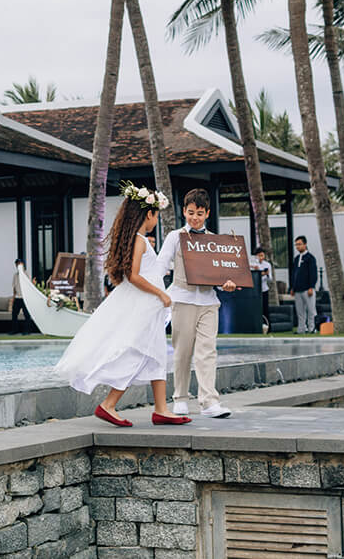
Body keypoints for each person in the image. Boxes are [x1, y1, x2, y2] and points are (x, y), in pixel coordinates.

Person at [54, 182, 191, 428]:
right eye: (156, 216)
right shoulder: (139, 240)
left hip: (150, 306)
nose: (156, 221)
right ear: (149, 214)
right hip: (147, 305)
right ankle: (109, 404)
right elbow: (134, 275)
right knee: (136, 354)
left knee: (157, 355)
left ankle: (161, 409)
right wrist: (161, 294)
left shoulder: (138, 239)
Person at [155, 188, 235, 419]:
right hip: (182, 300)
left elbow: (219, 276)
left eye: (199, 213)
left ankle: (209, 402)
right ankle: (180, 397)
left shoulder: (214, 241)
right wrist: (156, 292)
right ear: (184, 211)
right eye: (191, 213)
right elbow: (161, 266)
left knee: (207, 352)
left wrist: (226, 285)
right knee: (182, 352)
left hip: (209, 302)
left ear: (207, 213)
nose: (195, 217)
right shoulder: (174, 237)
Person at [292, 235, 318, 334]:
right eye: (296, 245)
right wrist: (292, 288)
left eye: (299, 244)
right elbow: (294, 274)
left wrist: (311, 286)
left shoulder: (310, 258)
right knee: (300, 312)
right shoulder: (296, 259)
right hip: (298, 290)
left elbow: (313, 273)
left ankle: (312, 329)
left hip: (308, 289)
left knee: (311, 310)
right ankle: (301, 329)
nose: (298, 247)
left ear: (305, 244)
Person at [9, 259, 30, 335]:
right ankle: (15, 330)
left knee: (27, 315)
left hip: (25, 298)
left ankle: (27, 331)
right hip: (18, 298)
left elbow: (29, 286)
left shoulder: (26, 274)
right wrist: (13, 298)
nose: (18, 266)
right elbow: (14, 288)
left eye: (19, 264)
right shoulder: (15, 275)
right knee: (14, 314)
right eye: (17, 264)